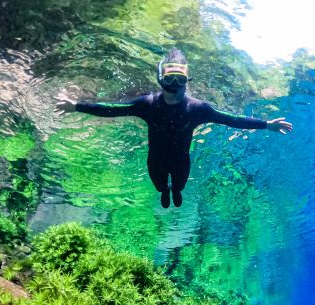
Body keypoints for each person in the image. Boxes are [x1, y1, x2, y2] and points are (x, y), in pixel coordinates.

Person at [54, 49, 293, 208]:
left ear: (188, 80)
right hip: (155, 159)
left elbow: (231, 119)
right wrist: (76, 106)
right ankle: (164, 192)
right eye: (170, 79)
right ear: (160, 80)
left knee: (179, 186)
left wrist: (266, 125)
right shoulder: (146, 104)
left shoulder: (199, 108)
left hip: (181, 160)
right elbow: (112, 109)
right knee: (160, 186)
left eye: (180, 78)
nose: (175, 85)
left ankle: (174, 191)